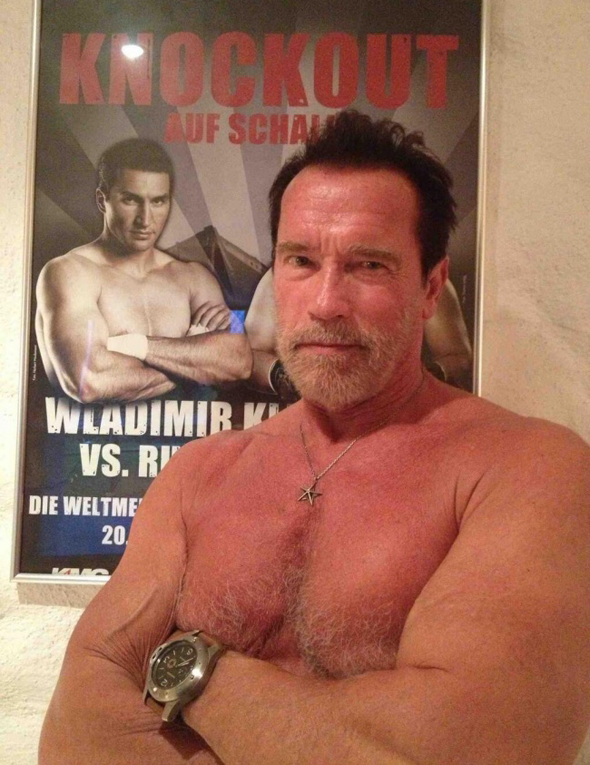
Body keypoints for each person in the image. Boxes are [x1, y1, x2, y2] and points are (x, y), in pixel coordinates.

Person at [39, 111, 590, 765]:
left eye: (369, 265)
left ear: (430, 288)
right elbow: (77, 732)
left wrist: (190, 670)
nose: (326, 302)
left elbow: (474, 748)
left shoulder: (526, 469)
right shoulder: (197, 475)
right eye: (300, 260)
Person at [35, 138, 252, 403]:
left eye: (158, 201)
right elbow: (89, 380)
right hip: (96, 432)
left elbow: (240, 361)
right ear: (102, 200)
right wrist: (196, 360)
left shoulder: (196, 278)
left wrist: (134, 346)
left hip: (189, 432)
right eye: (130, 200)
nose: (145, 219)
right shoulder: (67, 273)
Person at [245, 270, 473, 393]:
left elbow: (459, 359)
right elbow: (250, 358)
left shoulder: (421, 279)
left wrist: (406, 388)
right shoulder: (279, 276)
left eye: (371, 264)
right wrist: (290, 381)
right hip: (301, 427)